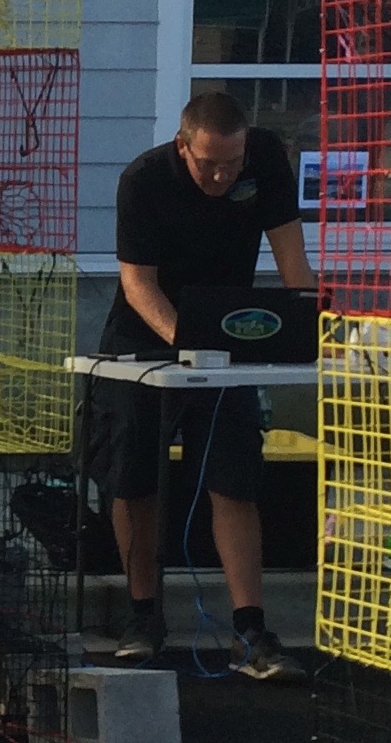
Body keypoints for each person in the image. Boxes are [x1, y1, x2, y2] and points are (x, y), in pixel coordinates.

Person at [88, 88, 314, 679]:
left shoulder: (265, 159)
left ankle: (251, 631)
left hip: (230, 331)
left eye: (232, 165)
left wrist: (310, 329)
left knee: (234, 478)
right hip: (144, 333)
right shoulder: (142, 180)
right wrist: (186, 344)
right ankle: (143, 615)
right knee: (133, 478)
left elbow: (292, 260)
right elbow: (138, 284)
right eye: (208, 164)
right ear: (181, 147)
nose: (221, 176)